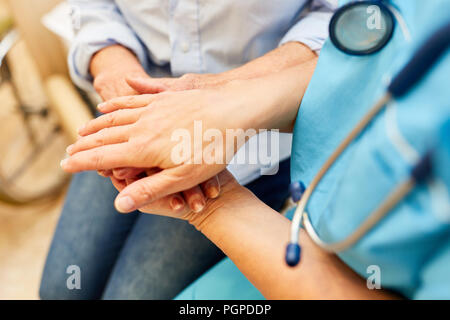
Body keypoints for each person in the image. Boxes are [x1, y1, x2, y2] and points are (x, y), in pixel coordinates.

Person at [62, 0, 450, 299]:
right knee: (62, 287)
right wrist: (121, 73)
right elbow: (365, 33)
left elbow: (335, 21)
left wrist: (217, 198)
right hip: (150, 111)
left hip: (259, 150)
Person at [40, 0, 337, 299]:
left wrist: (222, 93)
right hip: (134, 117)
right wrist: (115, 67)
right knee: (60, 289)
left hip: (255, 144)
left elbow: (348, 20)